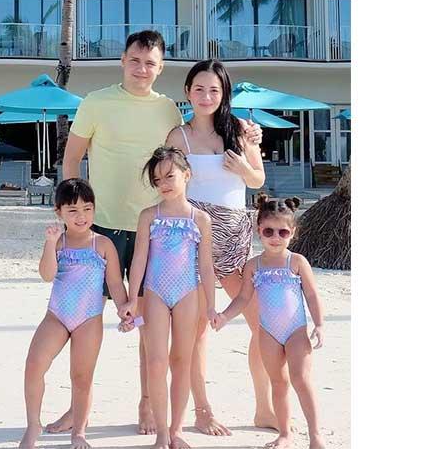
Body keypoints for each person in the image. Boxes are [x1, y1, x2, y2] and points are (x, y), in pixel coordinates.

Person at [48, 30, 262, 435]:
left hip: (158, 230)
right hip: (103, 226)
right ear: (123, 60)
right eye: (135, 60)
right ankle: (79, 410)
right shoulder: (96, 102)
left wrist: (252, 136)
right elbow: (73, 157)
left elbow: (197, 150)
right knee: (86, 321)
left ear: (160, 68)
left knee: (148, 322)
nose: (141, 68)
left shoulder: (169, 113)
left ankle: (148, 404)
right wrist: (73, 216)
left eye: (150, 63)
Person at [165, 59, 273, 435]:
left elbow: (258, 179)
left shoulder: (242, 130)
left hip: (235, 235)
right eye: (199, 89)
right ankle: (202, 410)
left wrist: (242, 167)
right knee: (195, 332)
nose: (207, 96)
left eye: (214, 89)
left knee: (264, 325)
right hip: (193, 239)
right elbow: (168, 184)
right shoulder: (178, 136)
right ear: (188, 93)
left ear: (224, 92)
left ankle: (264, 408)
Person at [19, 178, 132, 449]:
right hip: (56, 316)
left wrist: (124, 308)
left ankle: (79, 431)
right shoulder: (59, 242)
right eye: (72, 211)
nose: (81, 216)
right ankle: (33, 424)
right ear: (59, 212)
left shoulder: (103, 244)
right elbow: (47, 275)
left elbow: (115, 283)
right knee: (34, 365)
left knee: (82, 376)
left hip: (89, 318)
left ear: (94, 210)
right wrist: (49, 243)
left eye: (87, 209)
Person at [118, 147, 217, 449]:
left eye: (170, 176)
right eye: (158, 179)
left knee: (181, 361)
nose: (164, 183)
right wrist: (132, 298)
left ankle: (176, 430)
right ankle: (161, 431)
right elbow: (139, 260)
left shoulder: (200, 218)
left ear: (187, 175)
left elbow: (206, 266)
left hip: (188, 293)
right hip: (156, 293)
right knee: (156, 360)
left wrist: (212, 305)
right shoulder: (149, 216)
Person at [213, 196, 326, 449]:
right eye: (268, 231)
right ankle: (284, 433)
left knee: (301, 379)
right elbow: (243, 298)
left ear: (292, 232)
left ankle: (315, 434)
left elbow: (312, 295)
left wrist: (318, 324)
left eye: (283, 231)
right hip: (268, 333)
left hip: (296, 330)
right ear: (258, 230)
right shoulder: (253, 265)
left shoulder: (296, 262)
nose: (276, 237)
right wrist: (224, 316)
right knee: (278, 382)